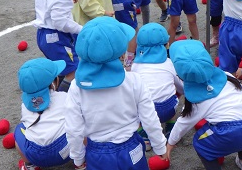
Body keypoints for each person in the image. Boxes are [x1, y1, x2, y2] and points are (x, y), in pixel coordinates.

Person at [65, 17, 168, 170]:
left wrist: (78, 158)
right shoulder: (134, 80)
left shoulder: (77, 87)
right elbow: (149, 118)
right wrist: (160, 146)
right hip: (131, 148)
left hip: (97, 153)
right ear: (121, 54)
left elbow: (74, 129)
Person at [166, 40, 242, 170]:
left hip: (231, 133)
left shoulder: (197, 101)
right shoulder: (227, 76)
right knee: (238, 118)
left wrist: (170, 143)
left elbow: (182, 124)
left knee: (200, 142)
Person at [34, 0, 95, 92]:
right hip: (56, 37)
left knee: (59, 69)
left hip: (43, 35)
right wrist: (82, 29)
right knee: (73, 71)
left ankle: (55, 92)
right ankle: (63, 99)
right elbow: (60, 22)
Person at [131, 23, 184, 149]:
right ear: (165, 45)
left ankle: (144, 136)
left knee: (134, 98)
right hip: (167, 109)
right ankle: (170, 129)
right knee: (174, 91)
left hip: (147, 114)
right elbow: (180, 88)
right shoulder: (168, 63)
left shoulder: (135, 67)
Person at [15, 58, 70, 170]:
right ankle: (81, 163)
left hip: (36, 155)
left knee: (18, 130)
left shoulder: (24, 106)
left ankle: (30, 165)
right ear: (54, 82)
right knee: (81, 122)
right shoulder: (64, 97)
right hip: (66, 150)